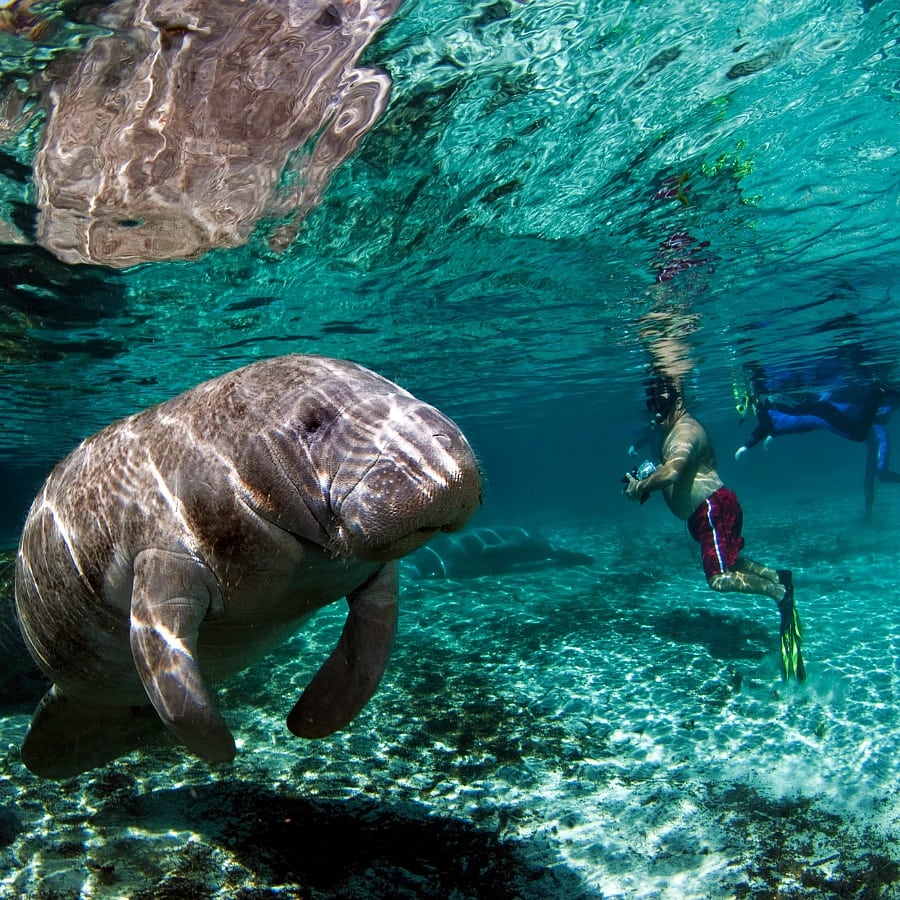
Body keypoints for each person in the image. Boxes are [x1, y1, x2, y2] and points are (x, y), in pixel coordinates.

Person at [624, 373, 805, 682]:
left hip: (712, 508)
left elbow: (672, 473)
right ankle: (779, 577)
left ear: (677, 400)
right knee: (730, 563)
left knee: (719, 578)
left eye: (660, 402)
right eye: (651, 403)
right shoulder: (672, 430)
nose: (655, 410)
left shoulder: (685, 432)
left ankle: (779, 593)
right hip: (709, 511)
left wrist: (641, 484)